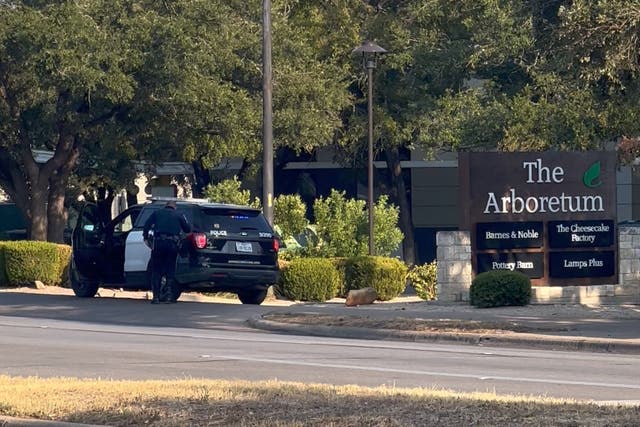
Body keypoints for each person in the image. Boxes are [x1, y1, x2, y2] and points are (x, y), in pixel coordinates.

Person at [143, 201, 191, 304]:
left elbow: (146, 225)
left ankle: (155, 297)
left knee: (156, 270)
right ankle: (169, 296)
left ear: (166, 206)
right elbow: (187, 229)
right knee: (170, 270)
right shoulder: (179, 215)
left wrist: (146, 238)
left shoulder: (157, 213)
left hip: (158, 244)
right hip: (172, 245)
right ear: (174, 207)